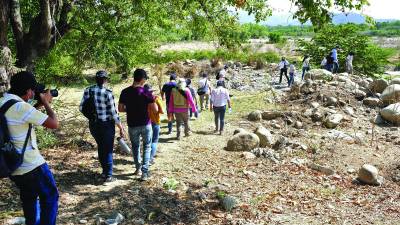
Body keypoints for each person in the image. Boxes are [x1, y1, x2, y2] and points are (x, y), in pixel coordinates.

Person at [0, 71, 59, 225]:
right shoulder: (22, 108)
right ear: (27, 91)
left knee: (29, 198)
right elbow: (54, 124)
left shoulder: (4, 102)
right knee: (51, 197)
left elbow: (22, 118)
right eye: (33, 91)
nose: (34, 93)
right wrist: (46, 101)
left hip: (12, 164)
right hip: (32, 165)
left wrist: (37, 103)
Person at [80, 70, 125, 183]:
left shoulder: (88, 90)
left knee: (101, 146)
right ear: (105, 80)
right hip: (106, 125)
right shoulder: (107, 93)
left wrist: (91, 116)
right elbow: (114, 113)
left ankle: (104, 172)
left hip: (94, 124)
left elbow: (81, 107)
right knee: (108, 149)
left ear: (96, 79)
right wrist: (120, 127)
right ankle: (108, 175)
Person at [119, 69, 157, 181]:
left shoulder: (125, 91)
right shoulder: (146, 92)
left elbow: (120, 109)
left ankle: (137, 169)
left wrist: (130, 109)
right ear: (142, 79)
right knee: (147, 147)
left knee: (135, 147)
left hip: (132, 124)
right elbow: (155, 110)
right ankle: (144, 173)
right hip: (145, 124)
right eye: (145, 79)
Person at [144, 84, 164, 165]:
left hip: (145, 122)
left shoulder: (142, 98)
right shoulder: (156, 99)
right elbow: (162, 111)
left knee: (147, 141)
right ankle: (150, 158)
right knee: (154, 140)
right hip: (155, 121)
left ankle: (146, 157)